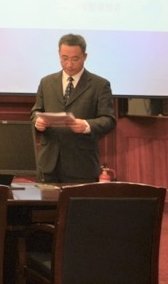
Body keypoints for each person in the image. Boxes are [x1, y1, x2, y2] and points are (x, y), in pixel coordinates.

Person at [31, 33, 116, 183]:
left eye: (75, 59)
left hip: (81, 164)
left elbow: (109, 120)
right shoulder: (46, 82)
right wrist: (38, 121)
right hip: (48, 164)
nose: (69, 64)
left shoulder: (100, 85)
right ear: (59, 54)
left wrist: (86, 125)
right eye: (64, 58)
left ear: (85, 56)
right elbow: (36, 111)